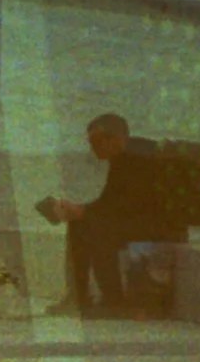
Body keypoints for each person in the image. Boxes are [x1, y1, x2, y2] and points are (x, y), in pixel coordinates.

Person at [38, 113, 186, 316]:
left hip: (163, 228)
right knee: (81, 223)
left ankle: (112, 299)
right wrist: (79, 210)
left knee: (96, 227)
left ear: (116, 138)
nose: (93, 149)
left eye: (97, 142)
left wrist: (83, 211)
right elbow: (112, 202)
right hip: (146, 221)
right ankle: (79, 297)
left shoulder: (138, 158)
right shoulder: (124, 157)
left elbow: (126, 205)